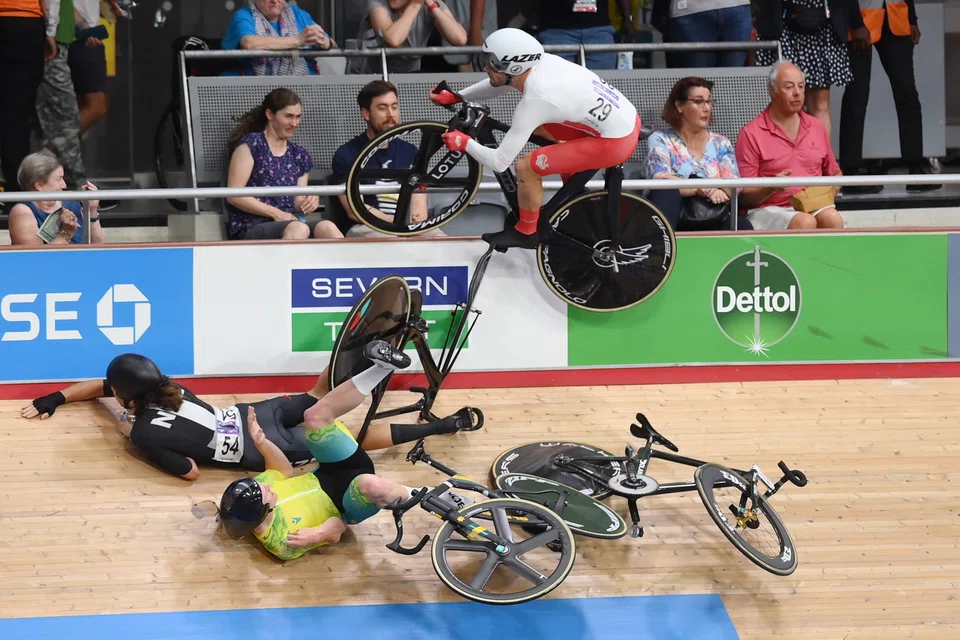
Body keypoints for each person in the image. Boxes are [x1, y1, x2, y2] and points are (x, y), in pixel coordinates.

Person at [21, 344, 478, 480]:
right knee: (320, 393)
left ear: (125, 399)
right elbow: (105, 387)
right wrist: (58, 397)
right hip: (257, 413)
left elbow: (189, 473)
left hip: (263, 446)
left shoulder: (143, 433)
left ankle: (440, 425)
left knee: (348, 441)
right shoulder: (171, 387)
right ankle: (363, 348)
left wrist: (131, 440)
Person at [430, 27, 641, 250]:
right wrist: (458, 96)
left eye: (493, 63)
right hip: (621, 119)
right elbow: (501, 82)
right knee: (538, 127)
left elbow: (499, 162)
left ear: (515, 67)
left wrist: (464, 143)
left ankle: (526, 232)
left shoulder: (536, 99)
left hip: (616, 140)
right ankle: (573, 194)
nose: (486, 67)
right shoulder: (540, 62)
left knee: (526, 167)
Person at [217, 340, 416, 561]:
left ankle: (383, 367)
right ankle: (425, 493)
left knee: (314, 417)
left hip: (331, 468)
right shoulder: (282, 542)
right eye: (266, 491)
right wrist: (319, 534)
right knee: (372, 485)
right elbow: (339, 528)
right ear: (263, 510)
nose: (266, 485)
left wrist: (262, 443)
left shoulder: (257, 492)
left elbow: (282, 470)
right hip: (348, 503)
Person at [735, 60, 845, 231]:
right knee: (804, 222)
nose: (797, 93)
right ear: (772, 91)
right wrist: (771, 187)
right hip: (767, 209)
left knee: (832, 218)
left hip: (811, 205)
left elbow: (835, 173)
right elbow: (744, 197)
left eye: (801, 86)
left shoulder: (815, 126)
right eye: (789, 87)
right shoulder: (751, 133)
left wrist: (827, 193)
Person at [225, 88, 343, 241]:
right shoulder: (252, 144)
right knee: (299, 228)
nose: (294, 123)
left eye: (298, 117)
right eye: (288, 116)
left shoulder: (300, 154)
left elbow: (297, 202)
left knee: (328, 227)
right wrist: (276, 213)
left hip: (289, 221)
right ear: (270, 115)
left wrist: (308, 202)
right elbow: (234, 195)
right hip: (252, 224)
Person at [329, 80, 443, 237]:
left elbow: (419, 206)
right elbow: (355, 211)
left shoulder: (411, 152)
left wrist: (413, 225)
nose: (391, 114)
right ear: (366, 113)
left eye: (394, 107)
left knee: (440, 239)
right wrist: (398, 224)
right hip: (367, 227)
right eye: (382, 108)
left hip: (408, 226)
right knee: (391, 242)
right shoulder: (347, 154)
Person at [645, 77, 752, 232]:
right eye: (699, 101)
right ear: (679, 106)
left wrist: (707, 184)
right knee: (666, 193)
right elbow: (660, 179)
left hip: (714, 215)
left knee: (744, 225)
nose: (707, 108)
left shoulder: (721, 142)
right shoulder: (660, 139)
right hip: (677, 215)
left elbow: (734, 187)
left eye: (709, 102)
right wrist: (703, 187)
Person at [7, 149, 104, 245]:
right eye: (59, 179)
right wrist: (66, 233)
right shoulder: (22, 212)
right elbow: (34, 254)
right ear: (39, 185)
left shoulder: (71, 205)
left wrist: (92, 211)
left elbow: (99, 247)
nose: (64, 185)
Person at [222, 0, 334, 77]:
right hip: (257, 90)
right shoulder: (244, 15)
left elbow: (333, 45)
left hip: (306, 86)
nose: (275, 1)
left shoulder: (298, 14)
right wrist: (298, 40)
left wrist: (326, 42)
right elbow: (249, 43)